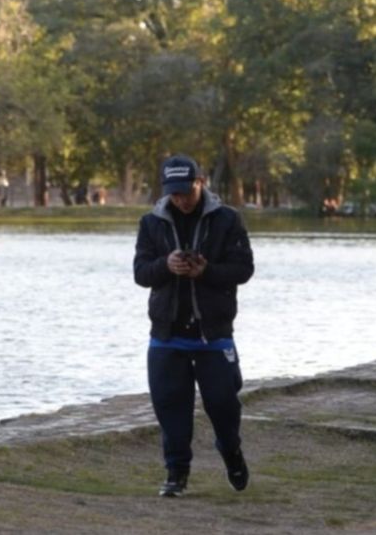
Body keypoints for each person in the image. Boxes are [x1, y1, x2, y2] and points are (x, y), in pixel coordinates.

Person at [133, 155, 255, 497]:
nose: (181, 200)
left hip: (213, 333)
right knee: (171, 409)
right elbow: (141, 273)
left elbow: (244, 269)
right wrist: (165, 265)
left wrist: (207, 272)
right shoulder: (150, 223)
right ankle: (176, 474)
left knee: (224, 405)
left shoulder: (228, 220)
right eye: (174, 194)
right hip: (167, 334)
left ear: (200, 182)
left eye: (186, 192)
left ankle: (231, 452)